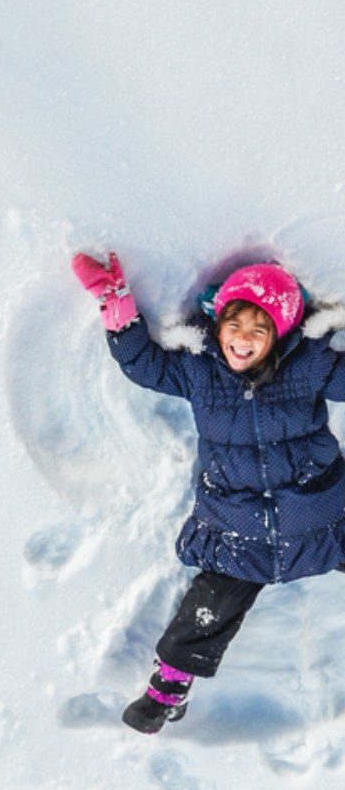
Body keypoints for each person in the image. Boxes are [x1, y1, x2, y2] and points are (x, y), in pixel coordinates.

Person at [72, 253, 345, 733]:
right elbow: (144, 366)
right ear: (218, 322)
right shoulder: (199, 371)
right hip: (241, 528)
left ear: (278, 336)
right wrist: (117, 308)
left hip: (322, 516)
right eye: (235, 324)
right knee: (206, 610)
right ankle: (168, 690)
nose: (244, 339)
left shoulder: (308, 367)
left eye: (259, 331)